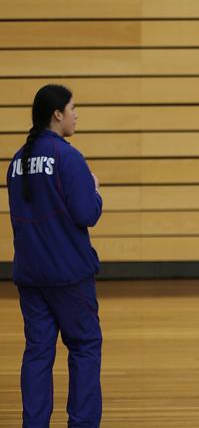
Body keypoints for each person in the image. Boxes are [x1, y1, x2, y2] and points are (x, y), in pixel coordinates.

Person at [7, 84, 103, 427]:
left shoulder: (17, 161)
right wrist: (95, 192)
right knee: (85, 345)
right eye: (73, 108)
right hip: (68, 274)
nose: (76, 115)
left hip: (31, 275)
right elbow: (86, 213)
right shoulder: (68, 157)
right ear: (57, 114)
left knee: (37, 352)